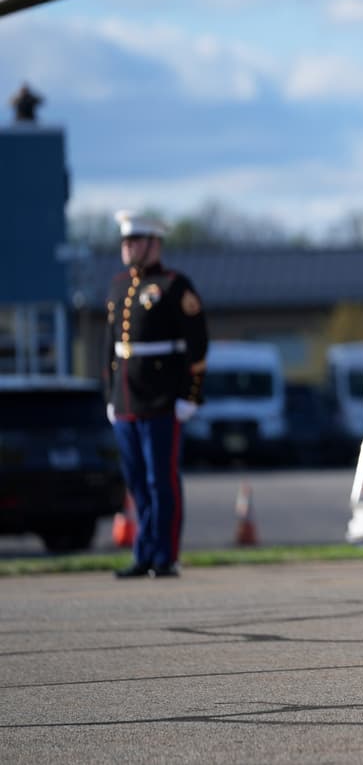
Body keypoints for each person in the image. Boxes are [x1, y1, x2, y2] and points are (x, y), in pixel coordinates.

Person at [105, 211, 208, 578]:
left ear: (153, 243)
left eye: (134, 240)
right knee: (136, 482)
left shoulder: (174, 285)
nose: (127, 247)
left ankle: (165, 555)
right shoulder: (119, 286)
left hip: (162, 399)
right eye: (125, 241)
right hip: (126, 400)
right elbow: (110, 348)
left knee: (160, 481)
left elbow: (197, 345)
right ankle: (143, 553)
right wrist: (110, 396)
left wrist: (190, 396)